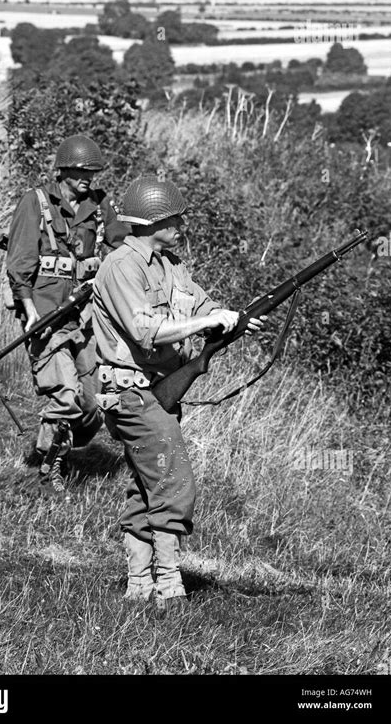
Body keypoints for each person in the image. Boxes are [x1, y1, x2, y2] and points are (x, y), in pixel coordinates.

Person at [92, 175, 266, 610]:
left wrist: (237, 319)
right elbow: (145, 329)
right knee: (174, 480)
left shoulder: (169, 264)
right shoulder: (120, 267)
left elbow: (203, 307)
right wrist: (206, 323)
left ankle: (138, 584)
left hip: (158, 392)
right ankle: (169, 585)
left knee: (147, 484)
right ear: (154, 220)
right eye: (175, 218)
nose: (182, 225)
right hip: (131, 393)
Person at [6, 134, 128, 491]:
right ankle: (44, 471)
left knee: (93, 404)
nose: (87, 177)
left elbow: (124, 245)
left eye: (92, 171)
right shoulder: (36, 202)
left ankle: (59, 449)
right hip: (45, 317)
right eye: (81, 171)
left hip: (87, 318)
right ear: (63, 169)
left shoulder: (100, 205)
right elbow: (20, 264)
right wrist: (28, 309)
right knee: (66, 394)